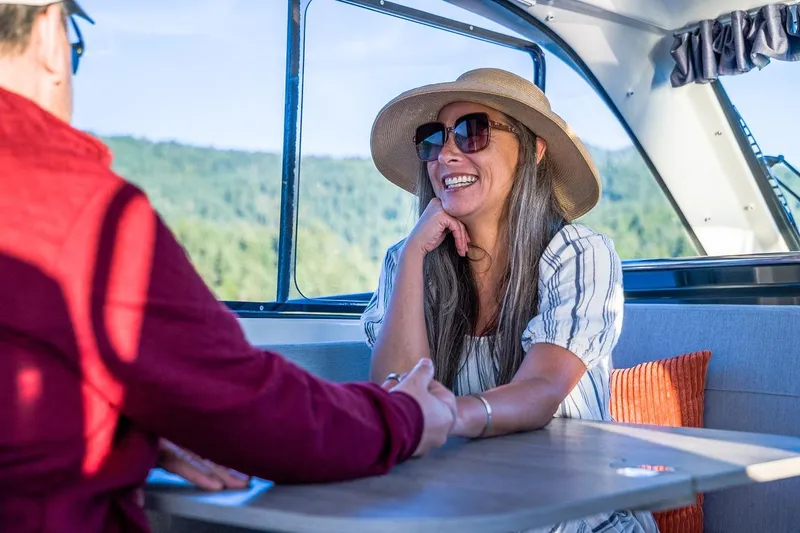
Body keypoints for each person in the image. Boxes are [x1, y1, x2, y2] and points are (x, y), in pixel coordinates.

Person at [0, 2, 457, 532]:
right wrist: (407, 417)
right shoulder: (80, 213)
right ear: (49, 35)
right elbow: (253, 408)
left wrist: (128, 434)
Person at [362, 68, 660, 532]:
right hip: (466, 512)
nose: (447, 154)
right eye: (433, 139)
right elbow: (396, 389)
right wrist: (415, 255)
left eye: (472, 132)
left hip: (580, 519)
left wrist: (444, 415)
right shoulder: (404, 262)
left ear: (533, 151)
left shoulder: (578, 254)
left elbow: (540, 391)